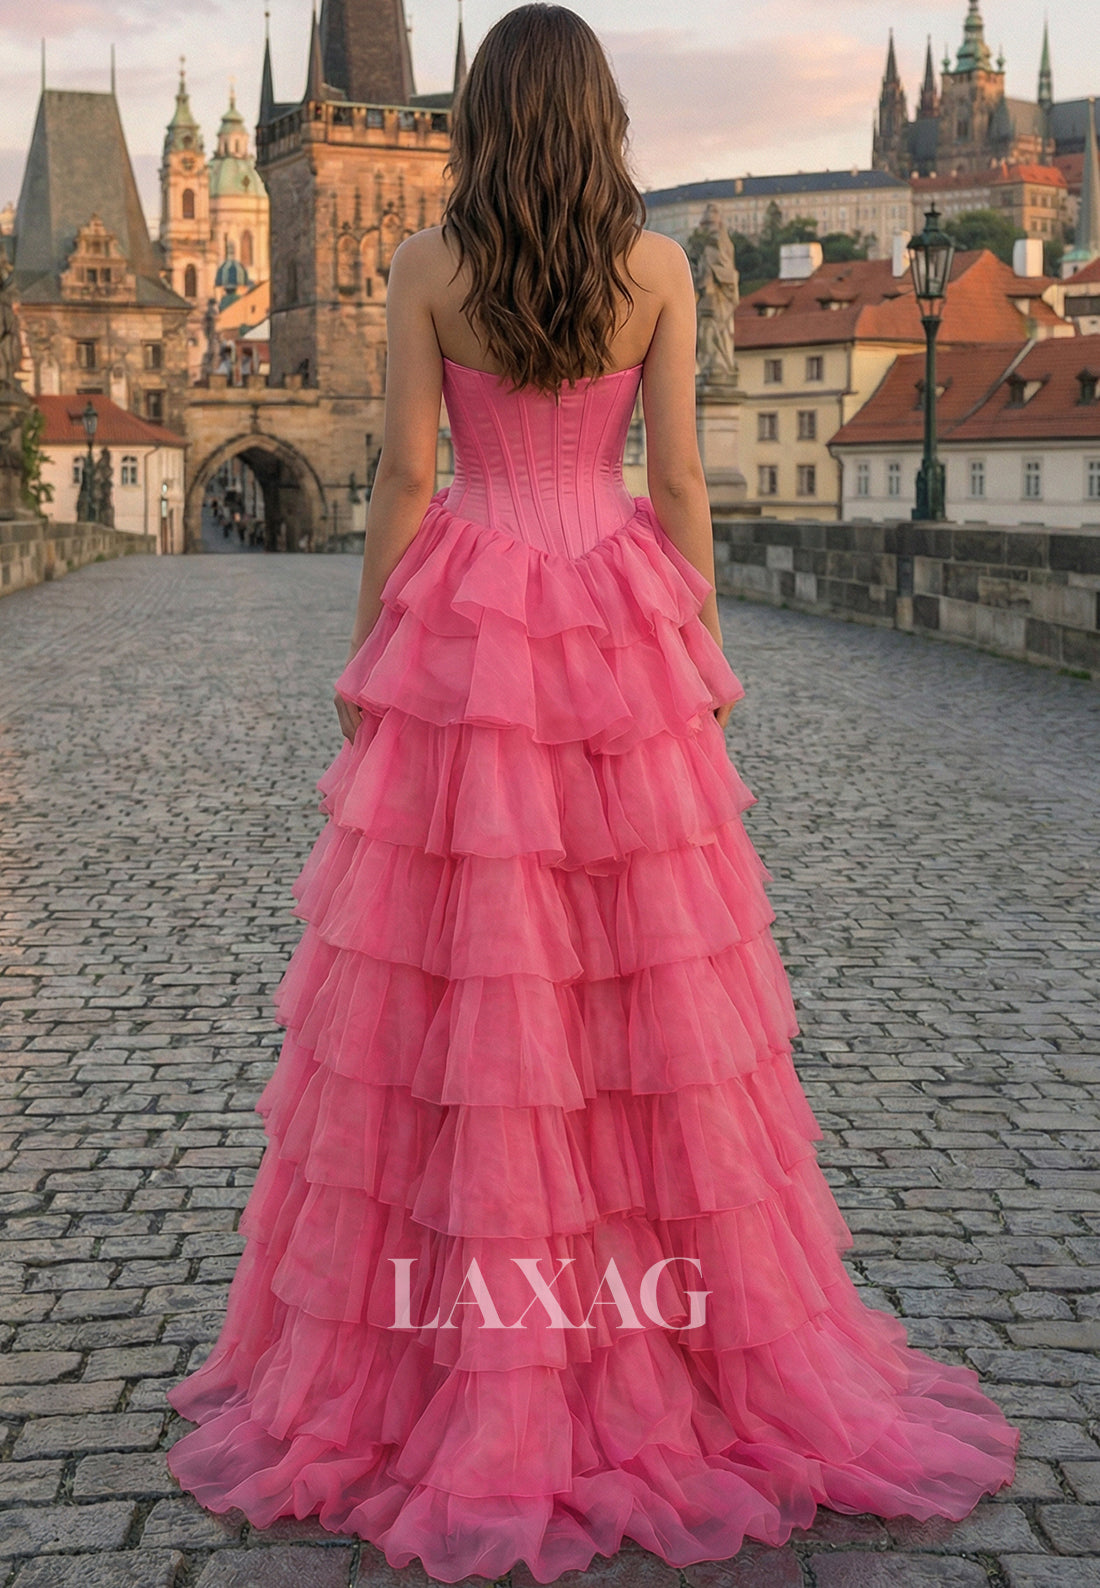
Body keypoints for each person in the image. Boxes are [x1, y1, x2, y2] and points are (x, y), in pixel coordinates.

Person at [164, 6, 1018, 1580]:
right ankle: (655, 1320)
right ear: (604, 118)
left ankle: (455, 1336)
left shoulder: (428, 267)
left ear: (478, 120)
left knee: (464, 965)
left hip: (475, 615)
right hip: (615, 612)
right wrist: (688, 649)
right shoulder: (664, 271)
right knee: (638, 982)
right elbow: (680, 480)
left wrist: (373, 660)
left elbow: (410, 478)